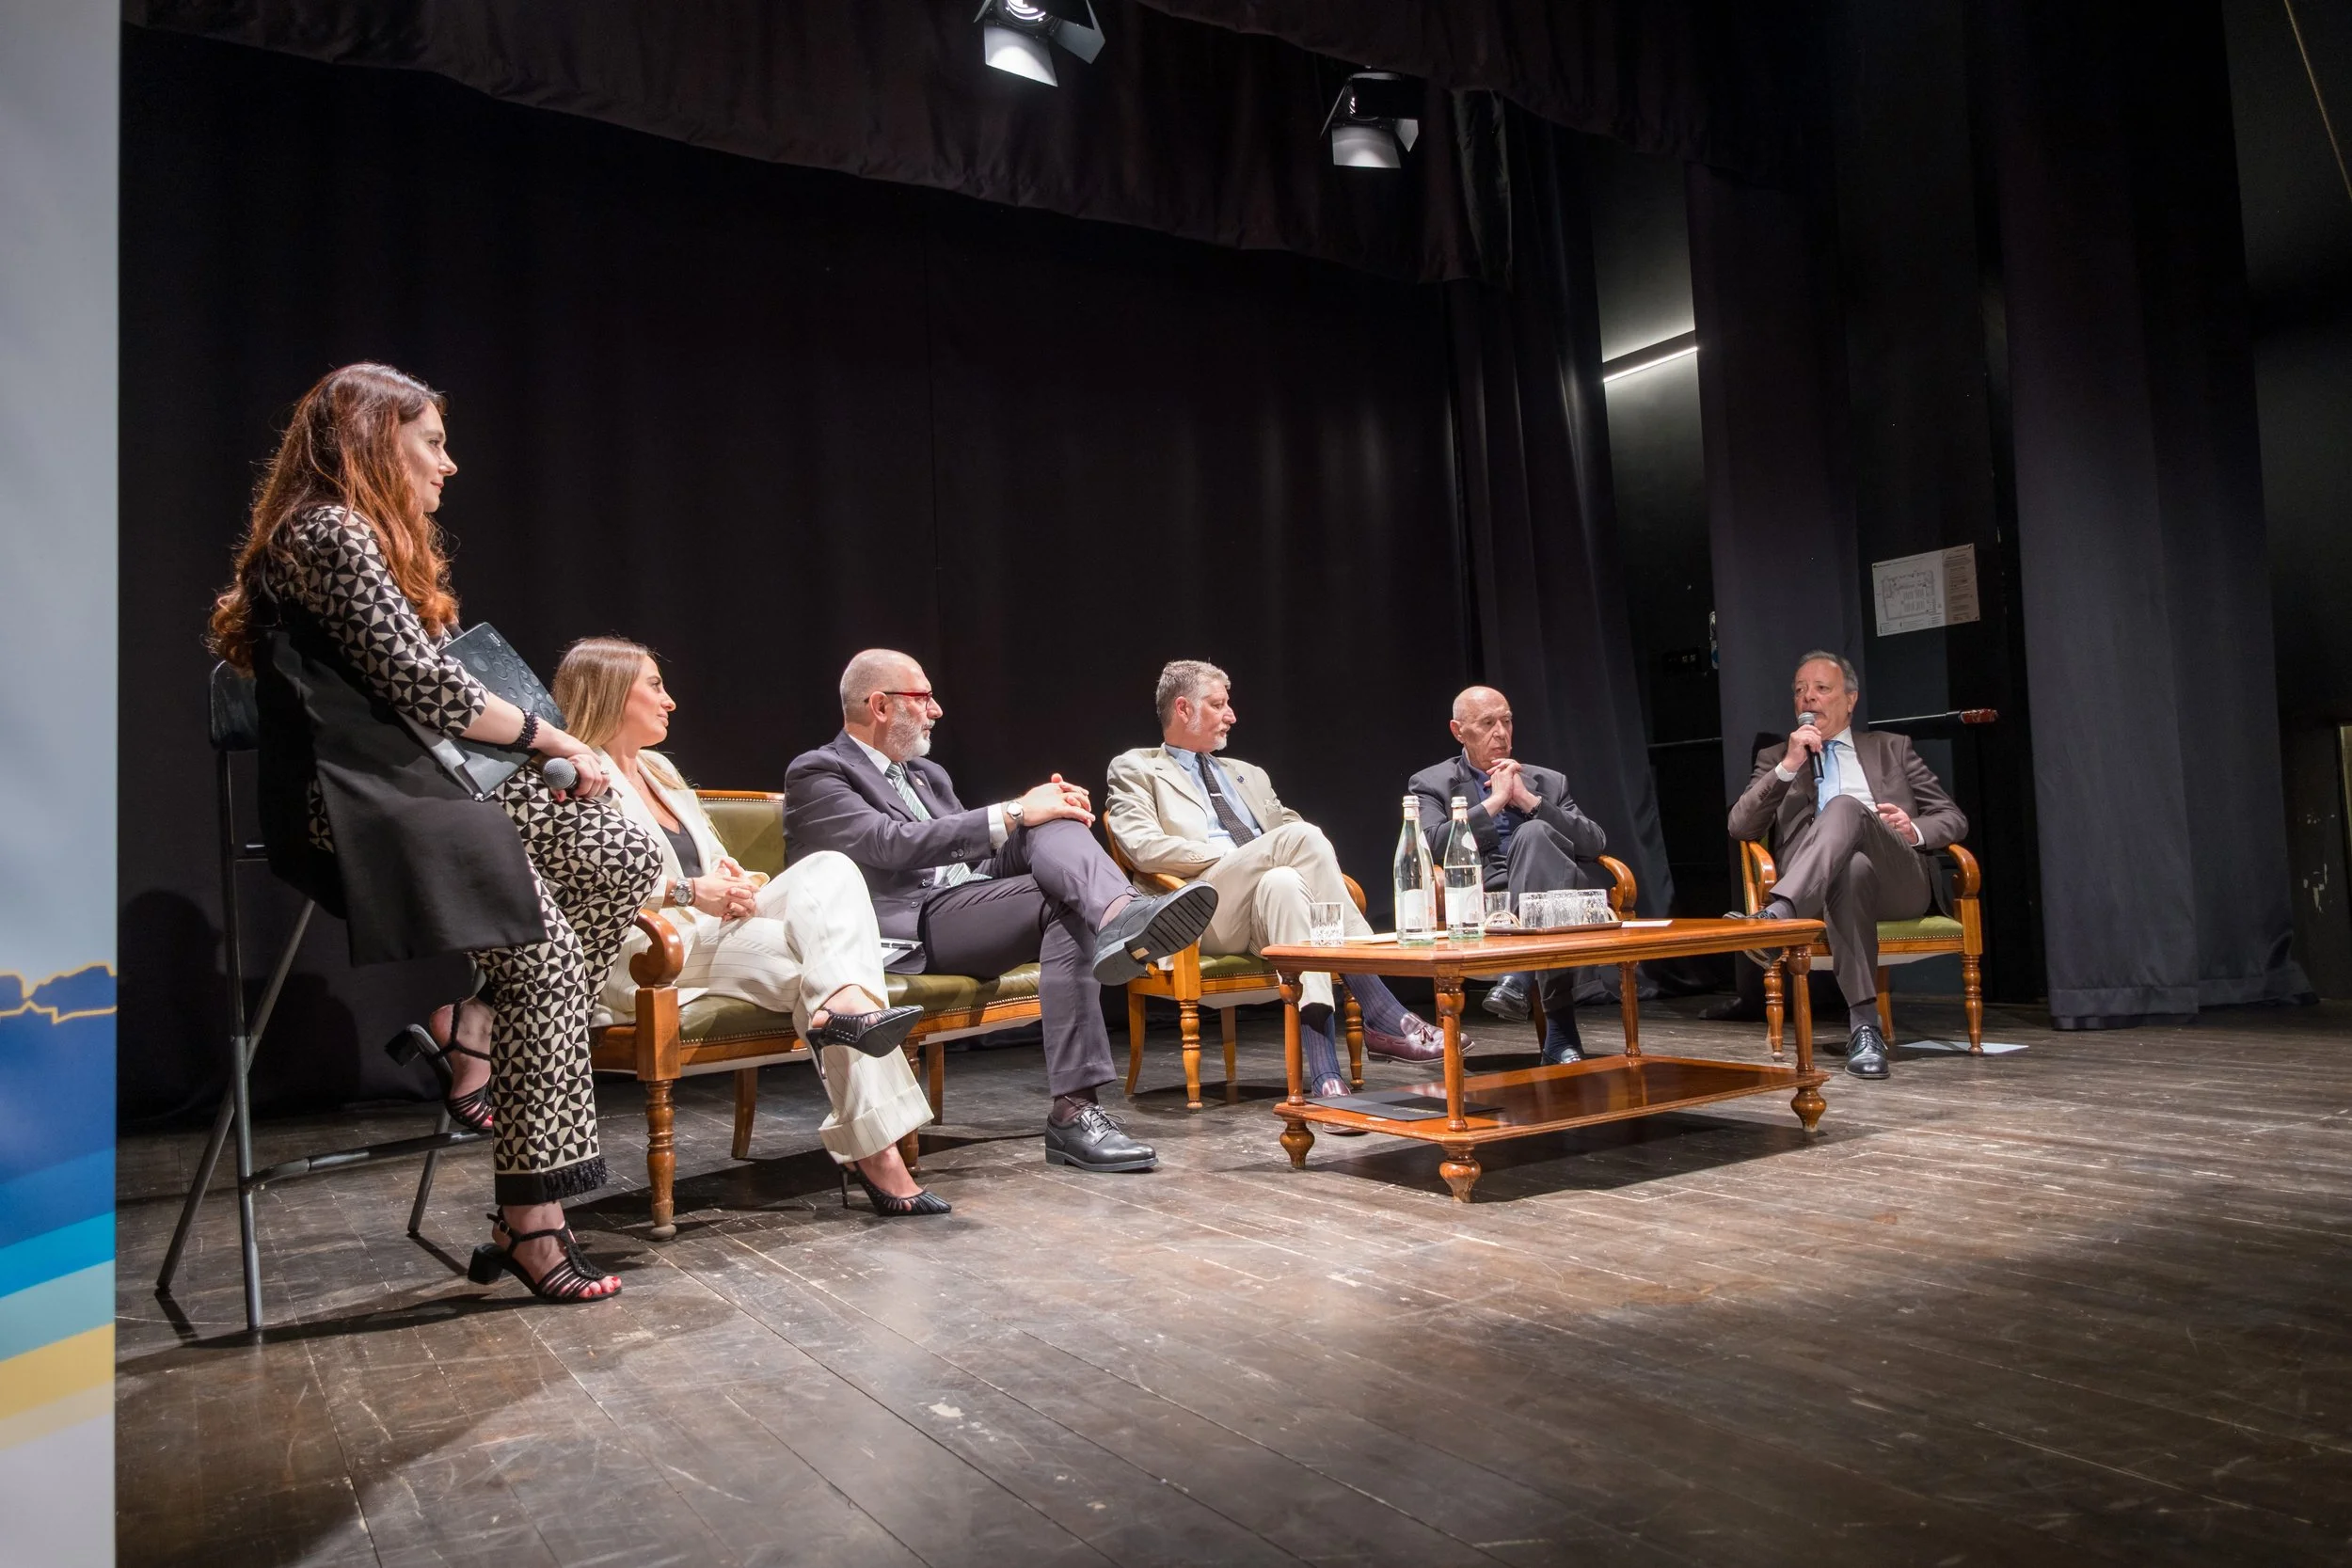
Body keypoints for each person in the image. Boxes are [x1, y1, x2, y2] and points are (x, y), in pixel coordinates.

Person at [209, 362, 660, 1303]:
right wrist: (551, 738)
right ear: (375, 438)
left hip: (423, 784)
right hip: (352, 805)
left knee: (620, 848)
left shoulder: (362, 538)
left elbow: (431, 697)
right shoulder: (325, 531)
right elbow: (429, 689)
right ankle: (535, 1216)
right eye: (432, 443)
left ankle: (478, 1020)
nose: (448, 465)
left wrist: (542, 758)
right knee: (544, 959)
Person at [552, 639, 946, 1216]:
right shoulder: (575, 776)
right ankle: (877, 1152)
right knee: (815, 968)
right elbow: (577, 883)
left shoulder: (658, 769)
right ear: (611, 692)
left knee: (832, 869)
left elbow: (711, 858)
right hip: (641, 948)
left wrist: (737, 881)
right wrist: (691, 892)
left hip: (712, 931)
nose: (671, 701)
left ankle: (844, 1005)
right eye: (655, 687)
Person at [784, 650, 1218, 1173]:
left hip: (965, 909)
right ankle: (1075, 1108)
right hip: (907, 927)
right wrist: (1015, 809)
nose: (936, 709)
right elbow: (889, 845)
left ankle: (1120, 915)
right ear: (880, 705)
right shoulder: (819, 772)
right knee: (1056, 880)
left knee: (1055, 828)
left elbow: (975, 853)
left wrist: (1041, 811)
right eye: (923, 697)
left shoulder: (926, 774)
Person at [1104, 660, 1463, 1108]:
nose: (1231, 715)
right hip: (1196, 909)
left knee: (1285, 882)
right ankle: (1383, 1011)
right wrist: (1243, 857)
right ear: (1183, 709)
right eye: (1218, 705)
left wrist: (1267, 856)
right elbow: (1143, 848)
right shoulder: (1136, 767)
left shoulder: (1248, 773)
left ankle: (1324, 1076)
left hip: (1264, 909)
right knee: (1297, 842)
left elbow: (1289, 838)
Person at [1725, 650, 1967, 1079]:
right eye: (1800, 691)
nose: (1808, 699)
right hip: (1821, 887)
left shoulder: (1892, 749)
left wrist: (1912, 829)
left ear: (1850, 699)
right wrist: (1789, 766)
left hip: (1899, 880)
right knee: (1851, 870)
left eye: (1821, 689)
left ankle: (1777, 920)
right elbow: (1741, 826)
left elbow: (1952, 818)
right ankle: (1865, 1030)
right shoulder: (1777, 756)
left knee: (1846, 806)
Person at [1408, 686, 1611, 1065]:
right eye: (1488, 723)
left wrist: (1529, 802)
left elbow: (1593, 843)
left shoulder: (1547, 782)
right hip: (1481, 893)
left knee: (1534, 835)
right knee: (1552, 901)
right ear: (1458, 731)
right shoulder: (1432, 783)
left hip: (1547, 889)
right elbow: (1430, 845)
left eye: (1507, 720)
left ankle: (1518, 976)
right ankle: (1561, 1033)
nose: (1501, 732)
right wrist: (1494, 802)